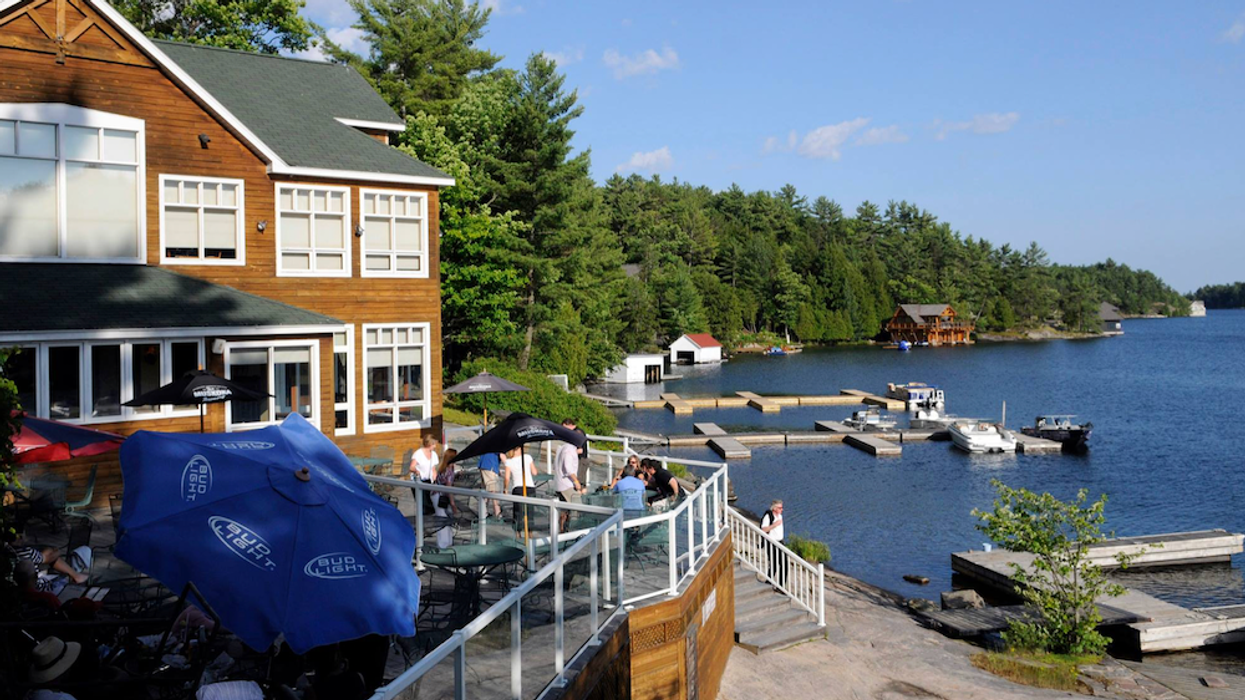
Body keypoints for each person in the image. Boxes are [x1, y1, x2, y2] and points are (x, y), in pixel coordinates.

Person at [502, 446, 537, 525]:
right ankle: (530, 532)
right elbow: (534, 472)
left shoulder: (509, 462)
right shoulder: (527, 457)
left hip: (518, 488)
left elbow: (507, 478)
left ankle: (518, 533)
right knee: (530, 512)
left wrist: (505, 488)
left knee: (518, 512)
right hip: (530, 486)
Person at [432, 449, 458, 548]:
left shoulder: (446, 468)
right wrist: (453, 503)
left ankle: (448, 542)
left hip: (440, 494)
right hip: (439, 495)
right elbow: (448, 487)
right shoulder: (448, 470)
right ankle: (443, 544)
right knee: (442, 518)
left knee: (446, 517)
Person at [759, 499, 786, 587]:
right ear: (774, 508)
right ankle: (769, 581)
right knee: (774, 563)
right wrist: (774, 525)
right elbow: (763, 529)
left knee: (784, 564)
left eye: (782, 508)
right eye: (780, 508)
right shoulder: (768, 516)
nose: (781, 510)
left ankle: (781, 585)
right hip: (771, 543)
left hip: (780, 542)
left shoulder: (780, 516)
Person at [477, 452, 504, 520]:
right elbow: (502, 456)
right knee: (493, 489)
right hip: (490, 466)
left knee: (486, 489)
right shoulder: (499, 443)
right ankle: (497, 512)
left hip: (483, 464)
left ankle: (483, 511)